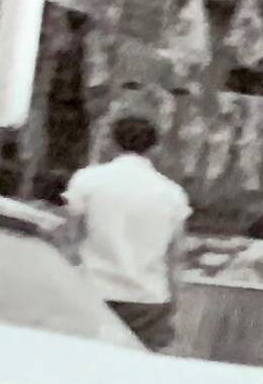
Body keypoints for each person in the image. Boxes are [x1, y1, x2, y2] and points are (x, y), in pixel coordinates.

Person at [60, 115, 192, 351]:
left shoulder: (87, 181)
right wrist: (175, 306)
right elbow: (175, 256)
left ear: (111, 142)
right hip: (148, 300)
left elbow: (69, 239)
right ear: (154, 148)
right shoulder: (172, 194)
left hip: (94, 291)